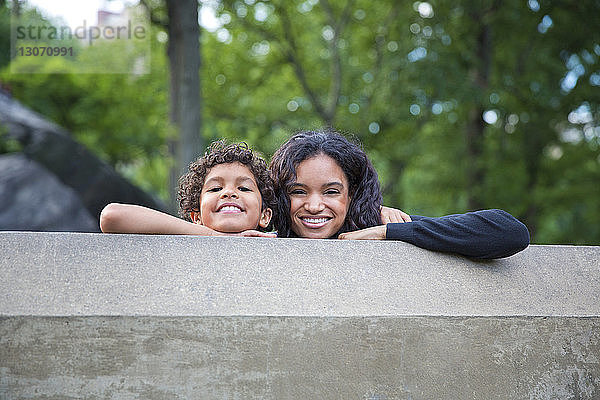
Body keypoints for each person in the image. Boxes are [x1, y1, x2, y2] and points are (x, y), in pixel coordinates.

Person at [269, 129, 529, 259]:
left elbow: (510, 232)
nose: (314, 206)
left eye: (331, 192)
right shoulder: (265, 230)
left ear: (352, 194)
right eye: (298, 191)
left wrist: (385, 232)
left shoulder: (377, 228)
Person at [100, 140, 275, 237]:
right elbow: (111, 216)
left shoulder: (275, 244)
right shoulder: (185, 241)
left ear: (264, 216)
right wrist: (214, 237)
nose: (229, 193)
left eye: (244, 188)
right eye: (215, 189)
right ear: (196, 216)